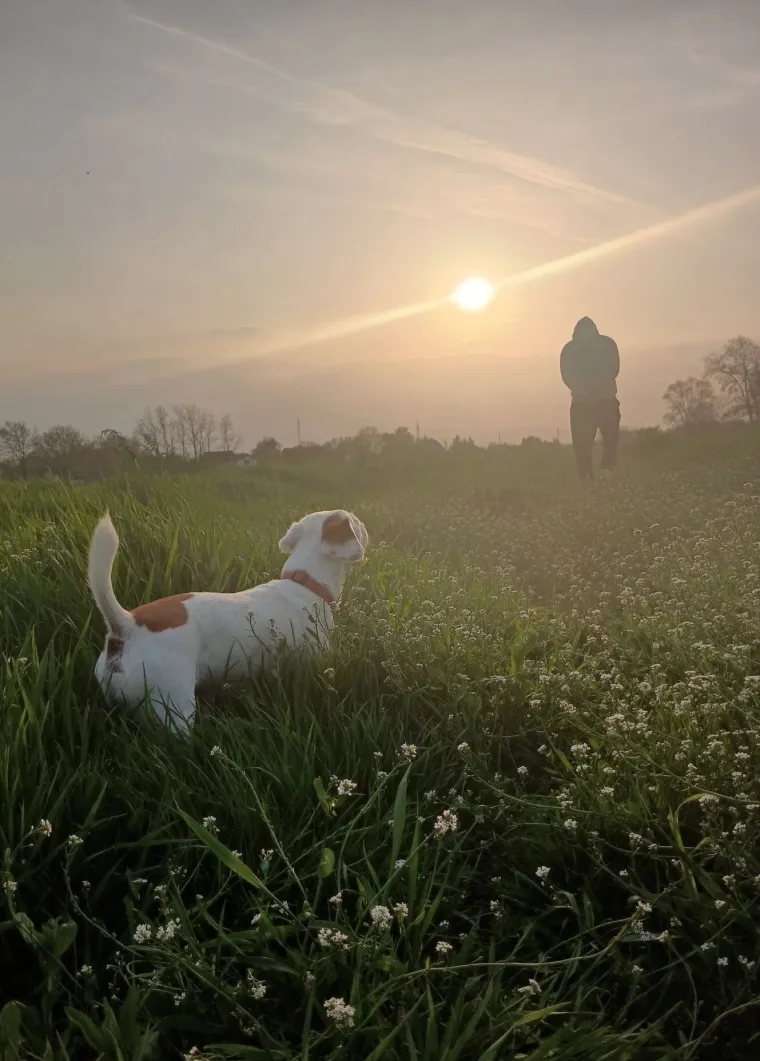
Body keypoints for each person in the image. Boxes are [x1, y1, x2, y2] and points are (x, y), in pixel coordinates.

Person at [560, 317, 620, 482]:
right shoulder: (608, 344)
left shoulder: (569, 349)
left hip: (584, 401)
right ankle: (603, 472)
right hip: (602, 400)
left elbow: (566, 374)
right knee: (605, 440)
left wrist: (583, 389)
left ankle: (589, 475)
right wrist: (596, 387)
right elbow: (614, 368)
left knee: (585, 443)